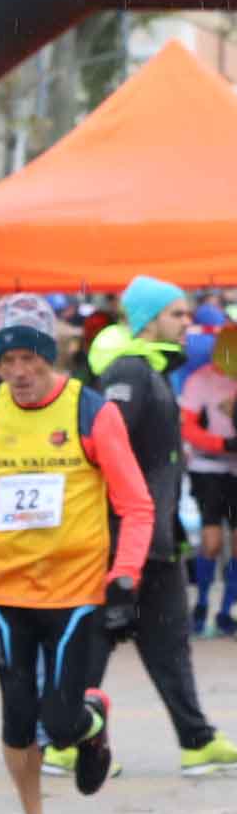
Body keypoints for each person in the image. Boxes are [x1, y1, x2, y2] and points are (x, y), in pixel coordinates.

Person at [0, 295, 151, 814]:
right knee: (16, 720)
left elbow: (135, 504)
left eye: (31, 359)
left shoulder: (91, 412)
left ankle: (91, 721)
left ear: (50, 358)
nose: (20, 373)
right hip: (4, 588)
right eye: (9, 361)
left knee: (58, 725)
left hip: (74, 589)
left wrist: (125, 576)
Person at [87, 277, 237, 774]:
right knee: (102, 637)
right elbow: (106, 450)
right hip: (130, 535)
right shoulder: (129, 371)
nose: (187, 321)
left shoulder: (149, 369)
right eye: (177, 314)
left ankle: (196, 739)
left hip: (154, 534)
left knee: (164, 639)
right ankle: (66, 738)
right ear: (148, 320)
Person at [181, 322, 237, 636]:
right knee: (212, 542)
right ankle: (201, 604)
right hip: (208, 469)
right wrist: (221, 444)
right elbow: (187, 427)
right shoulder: (200, 380)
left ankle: (227, 610)